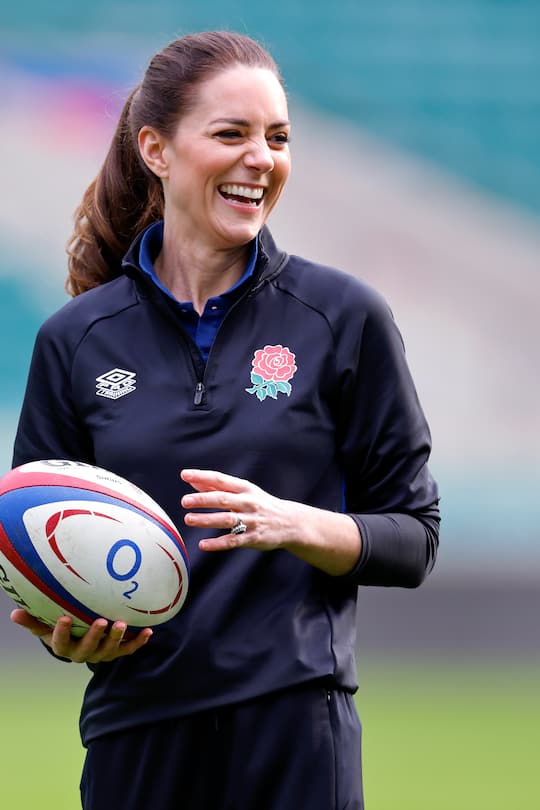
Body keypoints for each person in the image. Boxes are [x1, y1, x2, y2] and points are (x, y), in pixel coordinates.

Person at [10, 30, 440, 810]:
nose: (261, 158)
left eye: (277, 138)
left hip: (297, 737)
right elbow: (32, 544)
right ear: (156, 149)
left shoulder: (341, 318)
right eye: (231, 134)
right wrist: (62, 629)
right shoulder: (74, 340)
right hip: (134, 737)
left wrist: (295, 523)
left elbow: (415, 537)